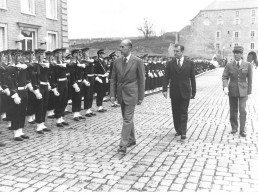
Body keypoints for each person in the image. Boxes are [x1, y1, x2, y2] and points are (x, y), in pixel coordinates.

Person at [110, 39, 145, 154]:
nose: (120, 49)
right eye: (120, 47)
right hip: (121, 94)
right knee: (127, 118)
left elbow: (141, 80)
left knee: (127, 119)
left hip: (131, 94)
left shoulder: (138, 61)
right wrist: (112, 95)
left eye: (123, 47)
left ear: (130, 48)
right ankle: (132, 139)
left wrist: (141, 96)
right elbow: (113, 79)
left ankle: (123, 144)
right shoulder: (117, 61)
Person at [163, 44, 196, 140]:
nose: (175, 53)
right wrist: (164, 89)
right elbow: (166, 77)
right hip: (174, 91)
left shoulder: (189, 63)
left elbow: (192, 78)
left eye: (177, 51)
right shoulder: (170, 63)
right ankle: (178, 129)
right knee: (176, 112)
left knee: (183, 112)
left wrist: (194, 91)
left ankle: (183, 131)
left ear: (182, 52)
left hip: (185, 91)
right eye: (174, 51)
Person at [222, 46, 253, 137]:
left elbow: (250, 79)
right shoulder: (229, 65)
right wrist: (225, 87)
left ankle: (242, 129)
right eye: (235, 53)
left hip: (243, 90)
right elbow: (225, 77)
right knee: (233, 109)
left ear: (241, 54)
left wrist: (249, 92)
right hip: (232, 90)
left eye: (238, 53)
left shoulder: (247, 65)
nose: (236, 54)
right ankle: (234, 127)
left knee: (242, 110)